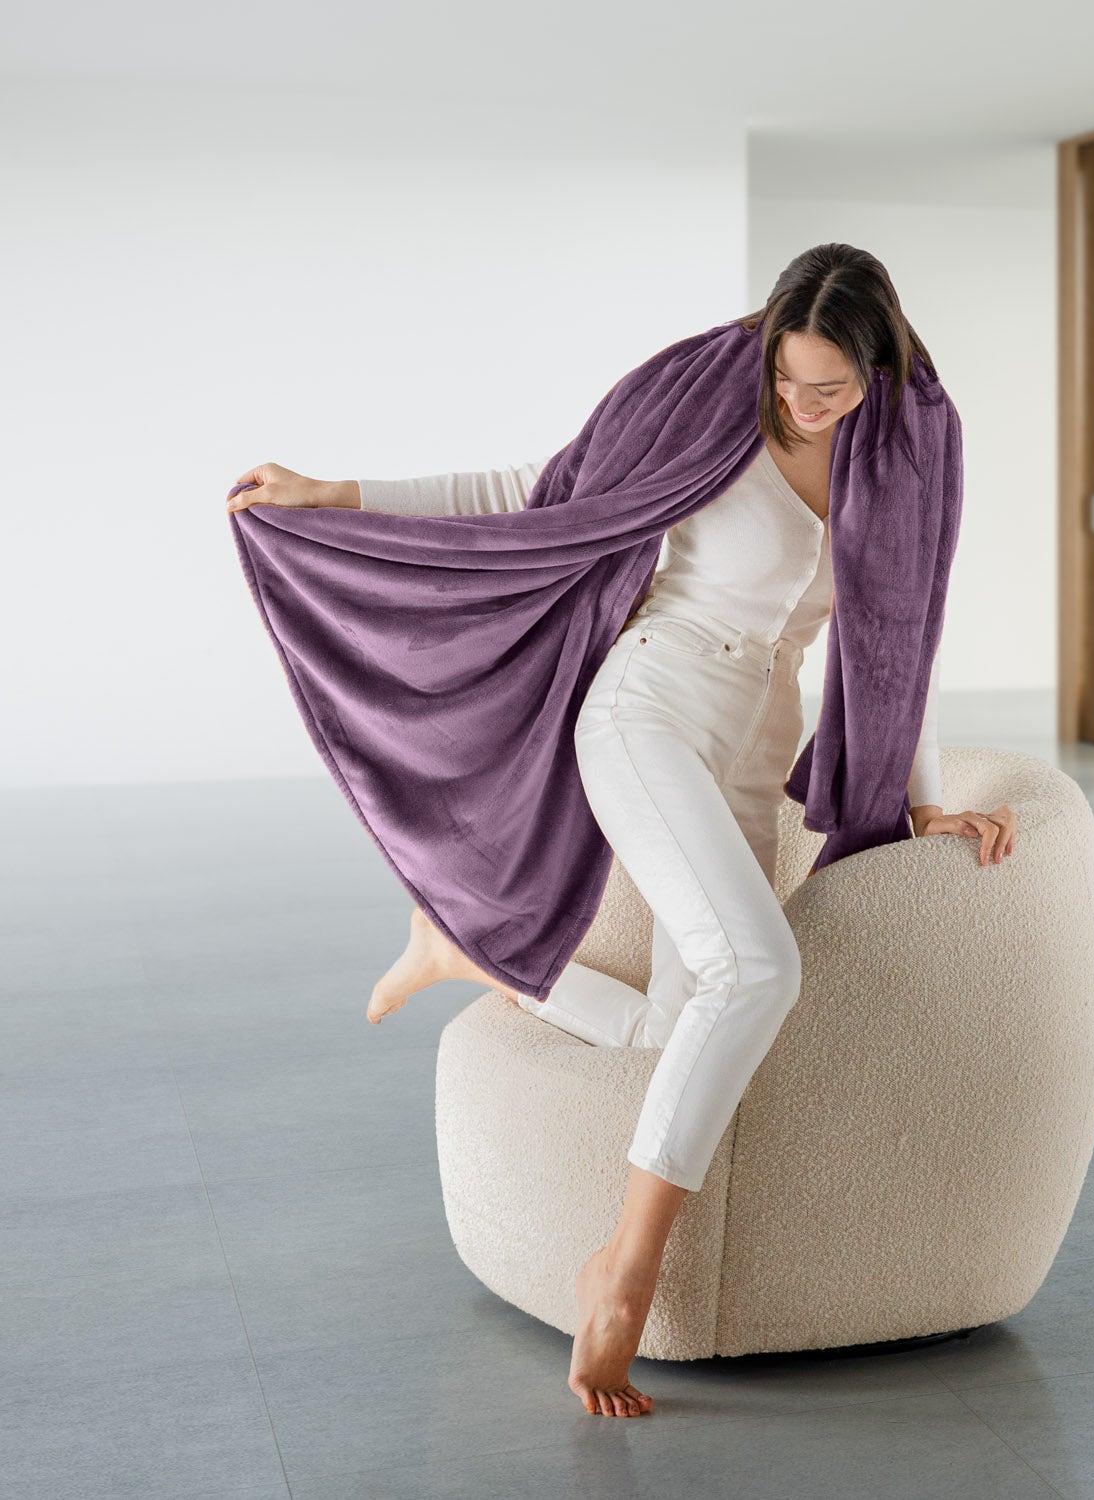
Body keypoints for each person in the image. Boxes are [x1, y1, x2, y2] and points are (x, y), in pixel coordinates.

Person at [224, 243, 1018, 1418]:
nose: (801, 405)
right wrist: (333, 493)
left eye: (828, 389)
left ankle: (472, 952)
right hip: (650, 702)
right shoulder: (707, 392)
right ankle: (626, 1267)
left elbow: (905, 630)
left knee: (682, 1027)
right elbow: (538, 488)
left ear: (879, 362)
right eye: (789, 381)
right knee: (760, 968)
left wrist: (920, 792)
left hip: (755, 739)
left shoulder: (908, 451)